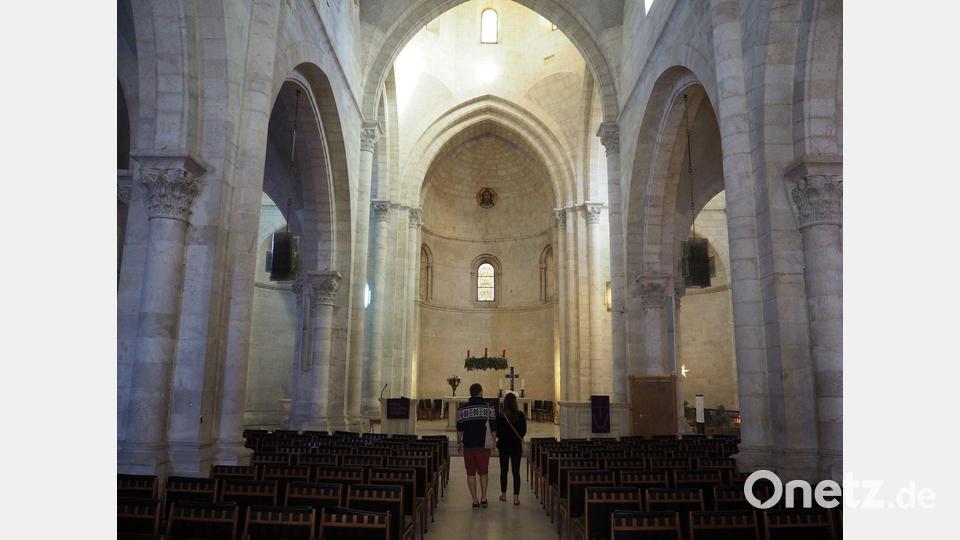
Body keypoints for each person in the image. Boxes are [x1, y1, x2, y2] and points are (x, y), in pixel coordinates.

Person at [456, 383, 497, 508]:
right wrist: (493, 442)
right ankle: (484, 498)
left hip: (468, 445)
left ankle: (474, 500)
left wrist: (459, 443)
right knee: (483, 473)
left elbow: (459, 429)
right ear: (480, 392)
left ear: (470, 392)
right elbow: (494, 428)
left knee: (470, 474)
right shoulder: (489, 408)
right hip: (483, 446)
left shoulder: (462, 409)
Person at [495, 391, 527, 505]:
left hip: (503, 446)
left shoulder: (500, 415)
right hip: (516, 446)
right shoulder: (520, 415)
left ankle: (503, 495)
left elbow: (497, 432)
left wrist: (503, 437)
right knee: (516, 472)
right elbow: (523, 431)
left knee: (504, 471)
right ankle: (516, 498)